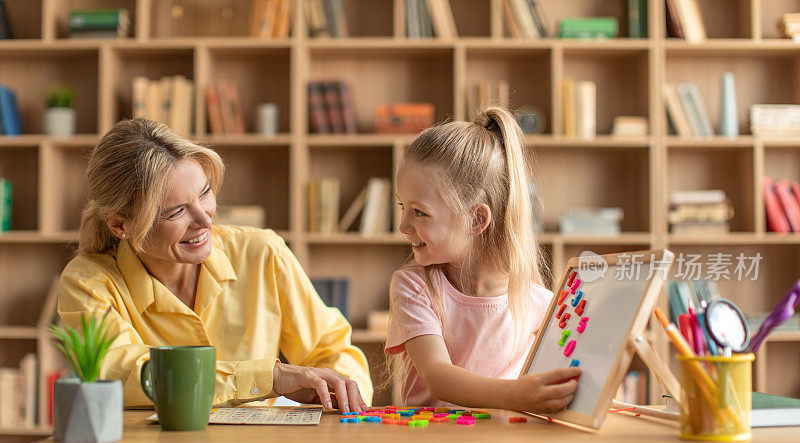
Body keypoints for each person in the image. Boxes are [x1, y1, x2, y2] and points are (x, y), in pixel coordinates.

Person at [57, 117, 372, 412]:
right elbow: (120, 370)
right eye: (176, 211)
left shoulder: (262, 252)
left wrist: (340, 397)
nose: (205, 219)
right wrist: (269, 378)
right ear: (120, 226)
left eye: (205, 192)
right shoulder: (88, 282)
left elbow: (331, 350)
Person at [385, 107, 580, 412]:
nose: (403, 226)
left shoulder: (538, 302)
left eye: (419, 212)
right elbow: (438, 377)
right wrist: (517, 395)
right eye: (402, 207)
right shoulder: (413, 285)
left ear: (476, 219)